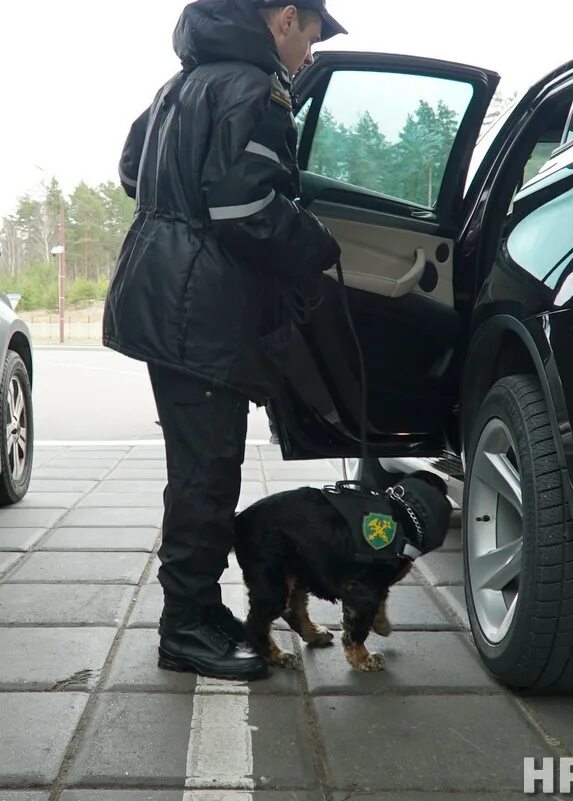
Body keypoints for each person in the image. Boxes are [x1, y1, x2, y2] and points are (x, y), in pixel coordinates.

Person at [104, 0, 346, 680]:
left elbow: (131, 170)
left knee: (200, 469)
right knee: (206, 475)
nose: (310, 51)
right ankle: (185, 627)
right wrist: (317, 244)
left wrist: (179, 202)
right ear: (284, 19)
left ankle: (199, 610)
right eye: (312, 34)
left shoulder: (182, 85)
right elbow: (245, 208)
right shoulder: (254, 86)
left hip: (164, 293)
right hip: (200, 307)